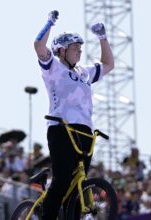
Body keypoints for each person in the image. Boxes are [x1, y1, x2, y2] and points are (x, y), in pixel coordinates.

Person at [34, 10, 114, 219]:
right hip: (61, 128)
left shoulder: (84, 72)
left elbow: (108, 65)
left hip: (85, 130)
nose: (79, 51)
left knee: (80, 184)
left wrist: (102, 38)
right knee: (62, 180)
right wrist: (49, 23)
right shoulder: (53, 67)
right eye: (75, 48)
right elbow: (38, 46)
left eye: (80, 47)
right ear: (61, 50)